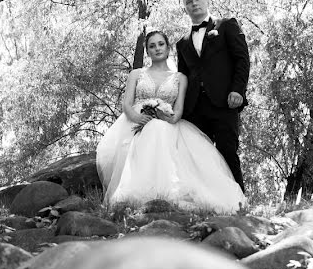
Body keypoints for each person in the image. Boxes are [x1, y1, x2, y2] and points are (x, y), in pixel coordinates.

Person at [96, 31, 246, 213]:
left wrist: (163, 117)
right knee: (150, 131)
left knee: (159, 129)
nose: (157, 48)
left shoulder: (180, 78)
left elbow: (177, 114)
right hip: (135, 124)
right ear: (147, 51)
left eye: (161, 44)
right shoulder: (136, 74)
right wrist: (139, 118)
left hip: (168, 127)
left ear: (168, 48)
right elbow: (126, 105)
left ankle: (166, 191)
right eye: (152, 46)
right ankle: (136, 192)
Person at [175, 0, 250, 192]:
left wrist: (238, 90)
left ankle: (238, 203)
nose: (194, 4)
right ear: (185, 9)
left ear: (206, 1)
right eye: (189, 2)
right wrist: (179, 107)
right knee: (200, 158)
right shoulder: (181, 42)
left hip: (225, 101)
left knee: (228, 151)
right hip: (194, 108)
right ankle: (207, 203)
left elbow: (242, 59)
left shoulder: (227, 25)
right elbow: (182, 76)